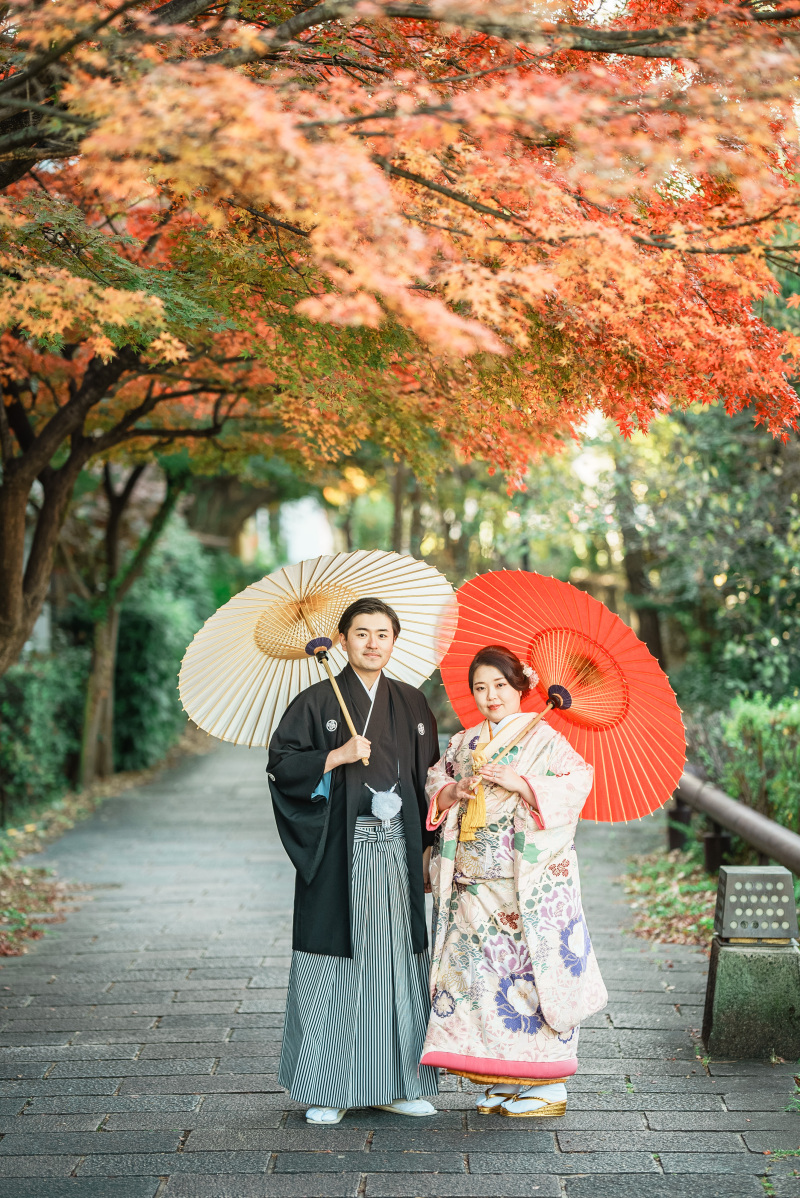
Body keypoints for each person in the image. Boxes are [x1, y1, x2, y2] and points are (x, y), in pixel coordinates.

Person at [267, 596, 440, 1125]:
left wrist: (433, 842)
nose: (372, 643)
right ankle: (328, 1087)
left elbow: (429, 777)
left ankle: (399, 1082)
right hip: (341, 851)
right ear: (341, 640)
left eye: (383, 634)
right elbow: (281, 766)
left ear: (394, 641)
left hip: (398, 849)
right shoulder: (316, 701)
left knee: (396, 963)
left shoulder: (411, 703)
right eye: (361, 633)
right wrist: (333, 757)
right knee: (335, 964)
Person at [419, 644, 608, 1117]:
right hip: (471, 886)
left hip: (523, 889)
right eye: (480, 688)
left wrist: (522, 782)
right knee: (482, 984)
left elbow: (577, 782)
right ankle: (506, 1078)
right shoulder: (464, 743)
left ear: (521, 687)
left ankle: (549, 1085)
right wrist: (451, 791)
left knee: (529, 981)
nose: (490, 696)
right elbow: (433, 781)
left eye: (500, 686)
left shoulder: (546, 739)